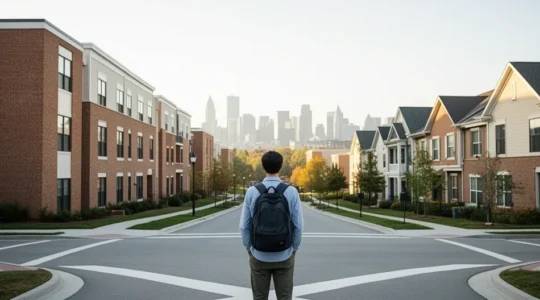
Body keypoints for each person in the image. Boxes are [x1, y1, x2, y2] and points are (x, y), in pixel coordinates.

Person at [239, 151, 304, 300]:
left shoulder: (252, 192)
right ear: (281, 166)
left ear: (262, 166)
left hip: (259, 254)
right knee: (285, 297)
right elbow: (298, 225)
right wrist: (294, 248)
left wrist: (249, 248)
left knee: (260, 297)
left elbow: (244, 226)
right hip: (284, 254)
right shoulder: (291, 192)